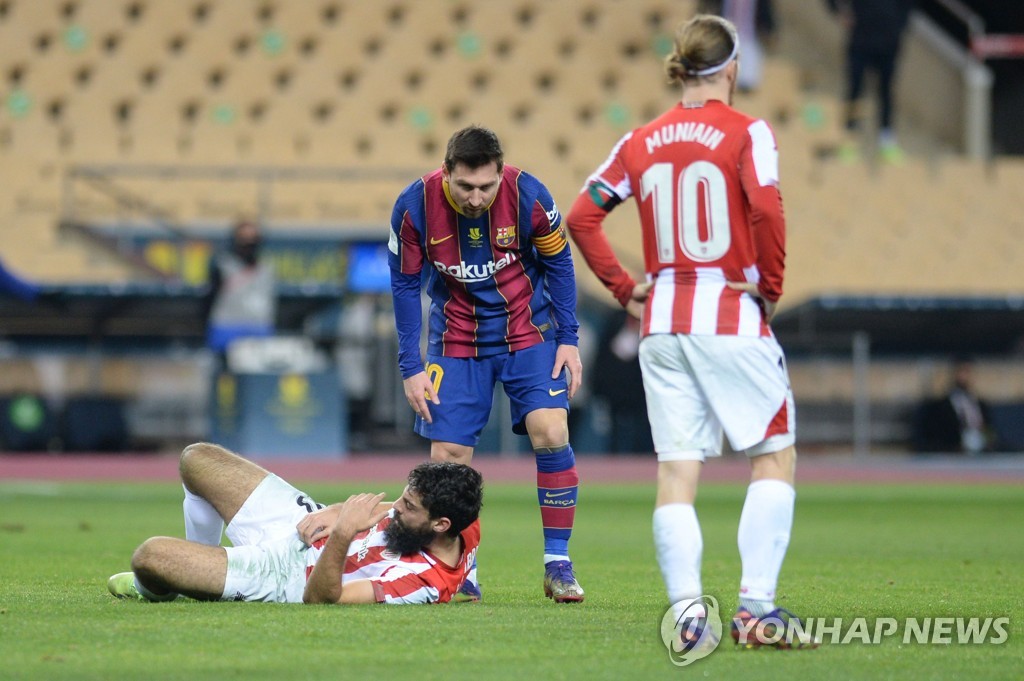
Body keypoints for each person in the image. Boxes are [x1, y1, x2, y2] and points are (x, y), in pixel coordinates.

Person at [565, 14, 817, 649]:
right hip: (727, 312)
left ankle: (687, 617)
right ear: (732, 67)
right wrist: (771, 284)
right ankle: (757, 611)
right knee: (774, 454)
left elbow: (582, 216)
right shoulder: (747, 131)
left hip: (663, 319)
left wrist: (626, 289)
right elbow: (763, 205)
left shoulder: (640, 140)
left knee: (677, 472)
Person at [388, 125, 584, 603]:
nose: (476, 198)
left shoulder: (530, 196)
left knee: (552, 432)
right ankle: (464, 568)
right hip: (455, 339)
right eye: (465, 186)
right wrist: (410, 365)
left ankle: (557, 562)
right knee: (447, 460)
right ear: (446, 171)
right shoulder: (413, 207)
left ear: (500, 174)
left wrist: (570, 339)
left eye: (486, 187)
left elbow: (560, 265)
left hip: (530, 332)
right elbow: (403, 285)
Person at [107, 442, 482, 604]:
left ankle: (161, 588)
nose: (394, 507)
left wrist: (345, 531)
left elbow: (320, 598)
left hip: (286, 574)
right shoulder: (464, 522)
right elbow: (399, 510)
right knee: (197, 459)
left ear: (440, 525)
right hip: (301, 522)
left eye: (407, 505)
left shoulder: (420, 584)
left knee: (151, 557)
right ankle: (199, 567)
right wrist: (336, 510)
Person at [826, 0, 917, 163]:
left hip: (888, 43)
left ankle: (886, 141)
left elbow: (909, 6)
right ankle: (849, 139)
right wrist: (838, 13)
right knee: (855, 91)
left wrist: (899, 27)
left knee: (886, 92)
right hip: (860, 40)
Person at [203, 219, 277, 359]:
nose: (249, 244)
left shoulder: (266, 268)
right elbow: (209, 298)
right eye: (244, 239)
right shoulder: (222, 265)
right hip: (226, 329)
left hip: (258, 329)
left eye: (253, 239)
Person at [913, 358, 994, 455]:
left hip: (981, 457)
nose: (965, 376)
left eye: (968, 372)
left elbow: (990, 432)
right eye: (961, 371)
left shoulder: (980, 405)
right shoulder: (938, 408)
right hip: (952, 458)